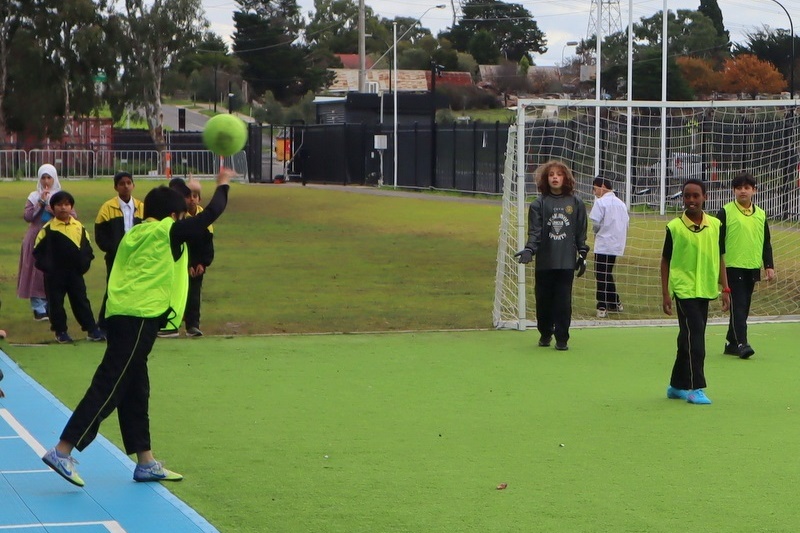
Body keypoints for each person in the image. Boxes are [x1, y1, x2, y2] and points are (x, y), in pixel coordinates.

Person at [41, 168, 233, 487]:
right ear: (173, 215)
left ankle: (145, 461)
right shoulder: (167, 231)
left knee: (135, 388)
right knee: (110, 384)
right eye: (180, 214)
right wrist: (223, 184)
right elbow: (212, 213)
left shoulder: (135, 233)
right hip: (139, 316)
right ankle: (62, 449)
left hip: (119, 314)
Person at [661, 179, 730, 405]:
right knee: (696, 337)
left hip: (705, 288)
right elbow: (665, 261)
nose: (691, 200)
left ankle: (676, 385)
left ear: (705, 197)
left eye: (696, 196)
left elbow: (720, 258)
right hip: (684, 289)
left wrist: (725, 288)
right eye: (687, 196)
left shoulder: (716, 225)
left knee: (687, 338)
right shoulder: (674, 227)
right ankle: (696, 387)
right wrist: (665, 293)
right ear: (682, 198)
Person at [514, 160, 589, 351]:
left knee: (563, 302)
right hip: (545, 263)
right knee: (544, 302)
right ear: (545, 179)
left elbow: (580, 231)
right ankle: (545, 333)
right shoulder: (539, 203)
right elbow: (535, 232)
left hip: (565, 263)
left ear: (566, 178)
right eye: (551, 175)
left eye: (559, 174)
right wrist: (530, 249)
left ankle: (562, 338)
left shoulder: (576, 202)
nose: (555, 177)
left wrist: (582, 254)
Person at [715, 171, 776, 359]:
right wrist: (719, 266)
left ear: (754, 191)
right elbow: (717, 241)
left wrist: (769, 265)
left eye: (747, 188)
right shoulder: (725, 212)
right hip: (732, 266)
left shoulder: (760, 214)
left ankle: (731, 342)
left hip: (751, 266)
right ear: (734, 190)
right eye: (739, 188)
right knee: (739, 305)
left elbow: (766, 241)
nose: (743, 191)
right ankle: (742, 343)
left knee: (744, 305)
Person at [33, 191, 105, 344]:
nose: (63, 208)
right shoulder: (47, 229)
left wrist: (82, 265)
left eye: (66, 204)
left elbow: (87, 249)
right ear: (52, 208)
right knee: (56, 303)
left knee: (81, 301)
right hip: (54, 275)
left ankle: (92, 329)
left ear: (71, 207)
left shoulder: (79, 227)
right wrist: (49, 268)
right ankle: (61, 331)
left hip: (74, 274)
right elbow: (38, 252)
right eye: (59, 205)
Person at [18, 164, 71, 321]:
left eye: (49, 177)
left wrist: (53, 208)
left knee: (51, 272)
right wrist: (40, 202)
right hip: (36, 236)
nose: (46, 181)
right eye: (43, 177)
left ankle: (50, 305)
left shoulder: (61, 196)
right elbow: (28, 216)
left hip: (54, 237)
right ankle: (38, 307)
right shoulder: (34, 196)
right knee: (35, 271)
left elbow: (72, 214)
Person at [94, 171, 144, 332]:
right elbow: (100, 233)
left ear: (133, 185)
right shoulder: (108, 207)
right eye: (122, 183)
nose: (126, 186)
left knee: (135, 289)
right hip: (115, 257)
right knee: (113, 289)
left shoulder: (141, 207)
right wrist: (112, 248)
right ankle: (104, 324)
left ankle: (130, 323)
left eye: (129, 183)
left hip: (136, 257)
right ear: (116, 187)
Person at [589, 176, 629, 318]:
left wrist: (597, 232)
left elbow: (596, 223)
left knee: (601, 274)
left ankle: (602, 305)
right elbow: (626, 223)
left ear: (603, 186)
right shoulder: (621, 204)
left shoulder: (601, 203)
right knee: (607, 273)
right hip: (616, 244)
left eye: (595, 188)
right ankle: (615, 302)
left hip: (603, 244)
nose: (594, 192)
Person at [183, 176, 215, 337]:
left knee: (194, 294)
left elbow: (207, 244)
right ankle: (170, 325)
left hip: (198, 265)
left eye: (194, 196)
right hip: (182, 265)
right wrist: (187, 265)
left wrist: (203, 263)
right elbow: (181, 245)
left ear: (199, 199)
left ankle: (192, 325)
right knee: (179, 294)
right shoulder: (180, 217)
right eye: (188, 196)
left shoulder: (204, 218)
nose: (191, 199)